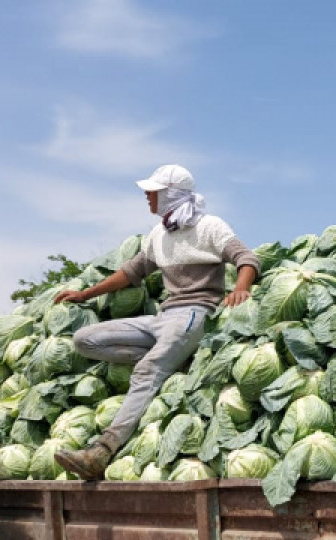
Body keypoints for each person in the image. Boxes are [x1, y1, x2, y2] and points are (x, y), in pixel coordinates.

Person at [52, 164, 260, 480]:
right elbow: (132, 272)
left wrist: (240, 289)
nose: (148, 198)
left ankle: (103, 450)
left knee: (147, 370)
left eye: (153, 192)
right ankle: (177, 362)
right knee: (85, 340)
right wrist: (85, 294)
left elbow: (247, 259)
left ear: (171, 194)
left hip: (196, 313)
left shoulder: (209, 226)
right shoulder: (159, 235)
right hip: (164, 317)